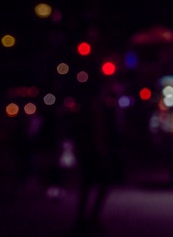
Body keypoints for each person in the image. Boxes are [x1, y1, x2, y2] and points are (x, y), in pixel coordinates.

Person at [71, 82, 122, 235]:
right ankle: (86, 217)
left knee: (94, 184)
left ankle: (88, 217)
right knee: (91, 184)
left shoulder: (102, 110)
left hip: (95, 151)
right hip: (91, 151)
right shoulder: (90, 112)